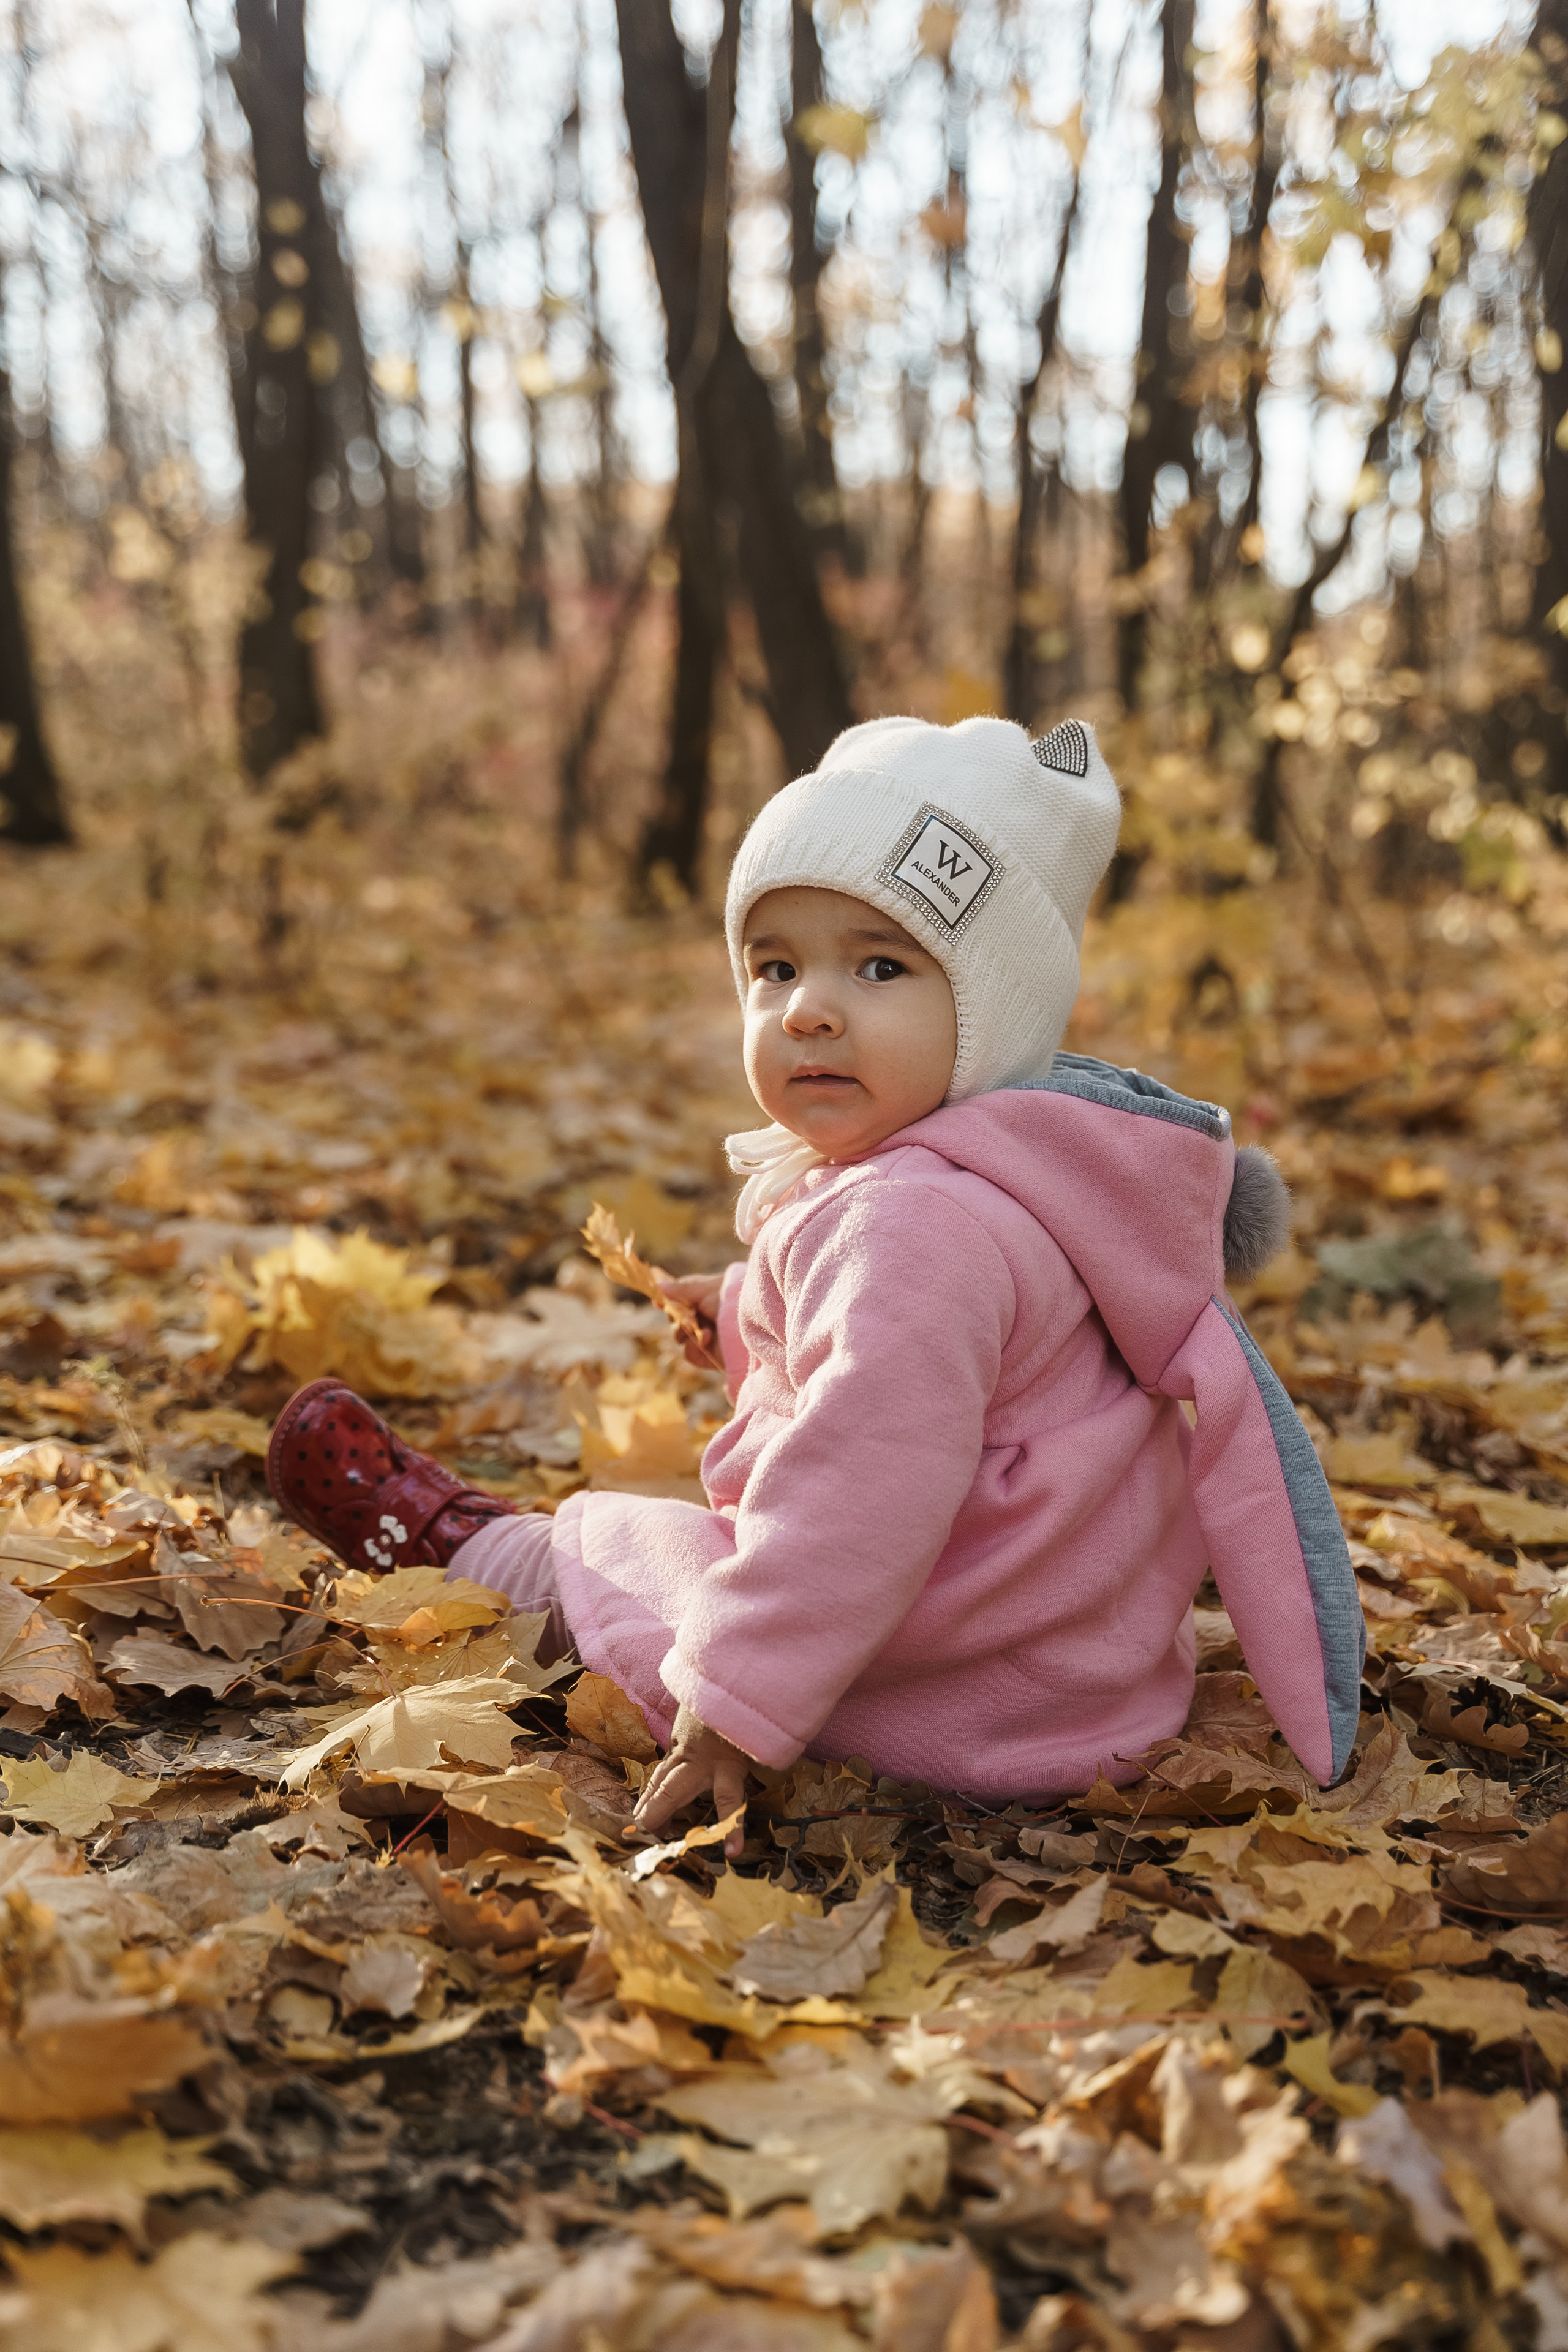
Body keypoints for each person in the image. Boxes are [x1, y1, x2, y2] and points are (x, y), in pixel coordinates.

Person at [266, 715, 1363, 1861]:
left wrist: (739, 1699)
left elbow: (861, 1482)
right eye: (775, 967)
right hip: (1077, 1691)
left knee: (611, 1554)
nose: (809, 1009)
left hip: (932, 1687)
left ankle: (456, 1546)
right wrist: (746, 1310)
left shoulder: (906, 1221)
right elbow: (951, 1359)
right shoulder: (1038, 1171)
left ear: (989, 1013)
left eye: (879, 965)